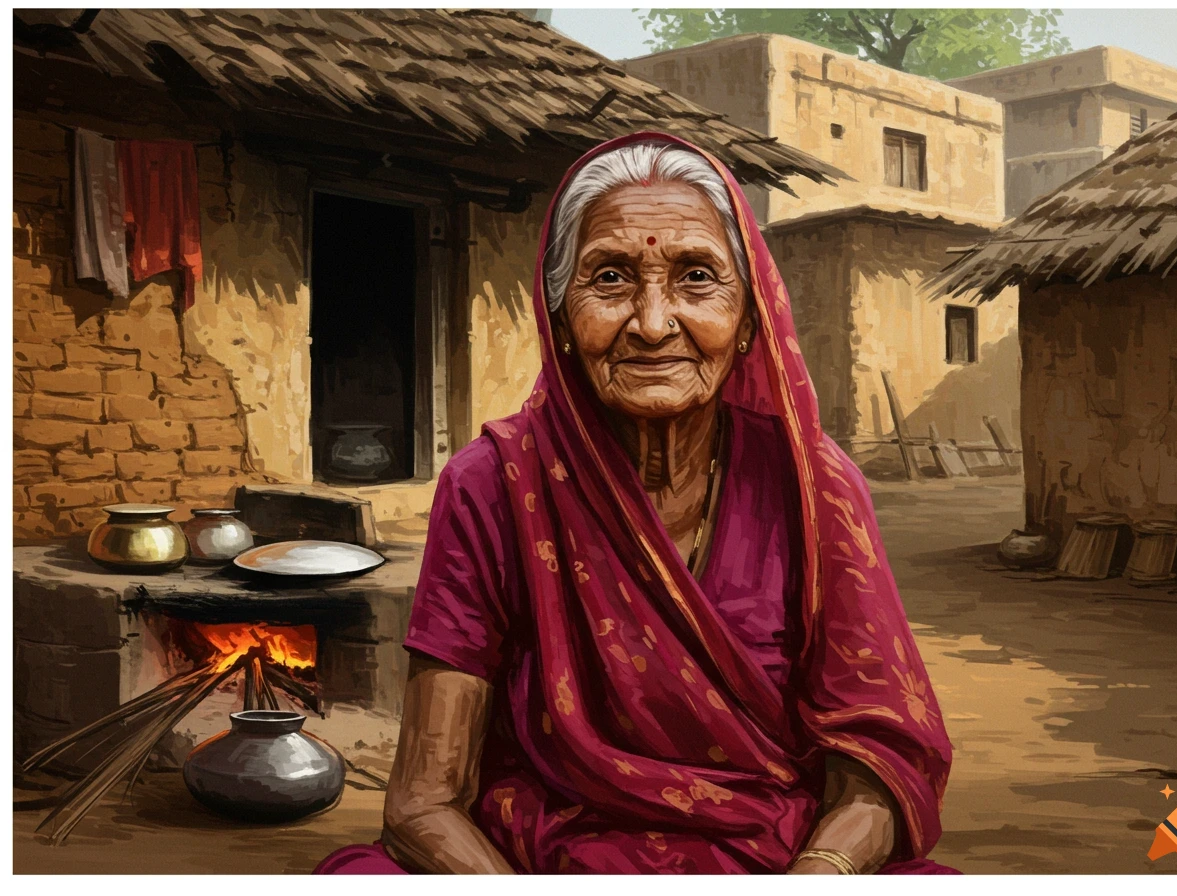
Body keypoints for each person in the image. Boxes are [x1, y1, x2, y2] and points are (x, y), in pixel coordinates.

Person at [315, 133, 954, 875]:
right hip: (543, 861)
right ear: (557, 319)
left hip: (772, 861)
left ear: (750, 318)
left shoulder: (814, 486)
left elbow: (876, 768)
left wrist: (817, 877)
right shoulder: (496, 482)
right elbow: (423, 801)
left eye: (696, 279)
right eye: (611, 278)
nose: (653, 324)